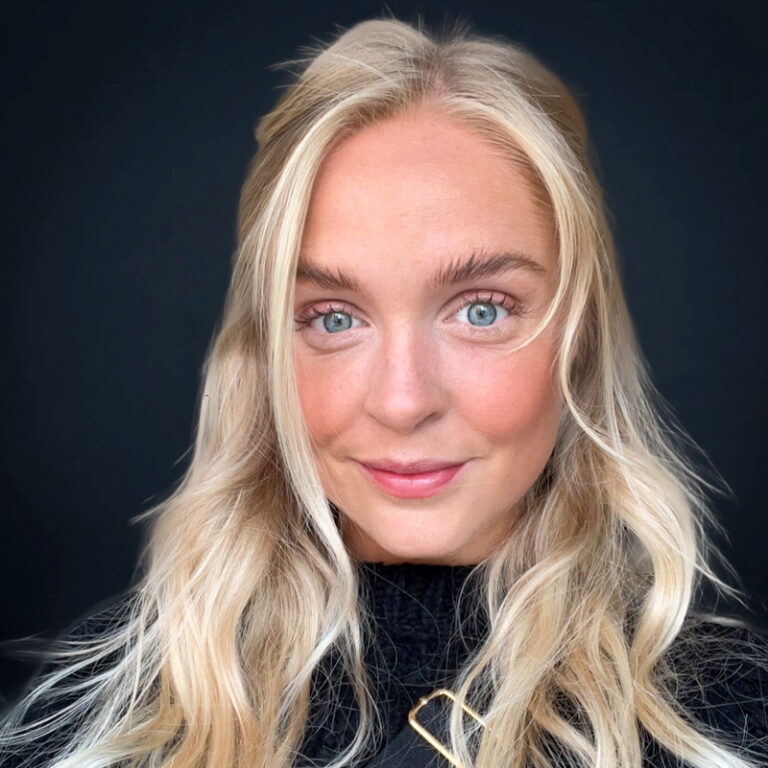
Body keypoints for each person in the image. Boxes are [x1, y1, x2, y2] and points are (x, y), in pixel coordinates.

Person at [1, 15, 766, 768]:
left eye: (482, 310)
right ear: (267, 350)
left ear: (579, 331)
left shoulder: (727, 727)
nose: (402, 402)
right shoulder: (100, 730)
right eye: (334, 318)